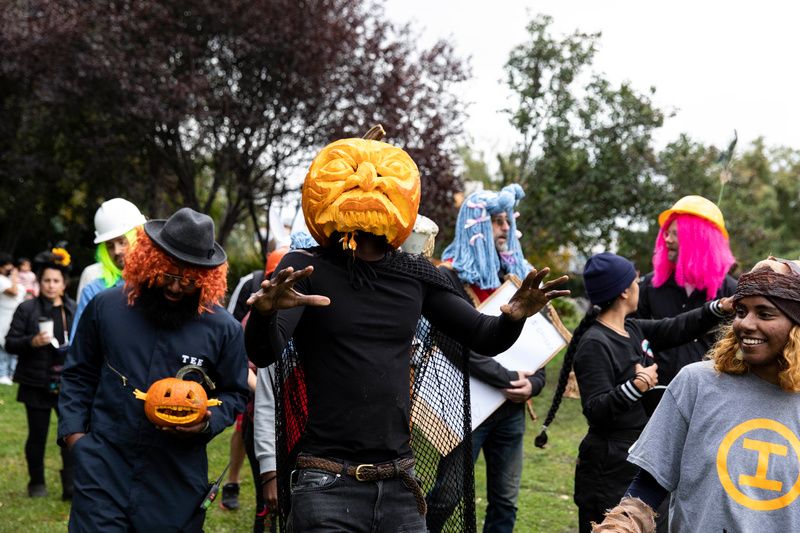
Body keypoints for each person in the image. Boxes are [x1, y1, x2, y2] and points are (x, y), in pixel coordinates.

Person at [244, 129, 570, 532]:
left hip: (398, 483)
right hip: (326, 481)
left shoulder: (414, 273)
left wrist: (514, 317)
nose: (369, 190)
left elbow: (484, 336)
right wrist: (263, 315)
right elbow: (265, 352)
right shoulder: (308, 267)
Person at [58, 207, 249, 531]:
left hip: (175, 478)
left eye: (189, 282)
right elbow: (78, 373)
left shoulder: (223, 329)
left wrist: (207, 422)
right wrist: (77, 439)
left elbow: (234, 392)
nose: (175, 288)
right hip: (103, 469)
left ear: (206, 278)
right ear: (151, 261)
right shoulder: (107, 307)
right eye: (168, 276)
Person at [594, 258, 800, 532]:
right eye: (740, 311)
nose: (746, 324)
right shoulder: (698, 383)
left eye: (765, 314)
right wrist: (622, 525)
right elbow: (650, 484)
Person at [534, 252, 732, 533]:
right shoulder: (595, 343)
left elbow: (676, 328)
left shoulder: (632, 328)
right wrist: (636, 386)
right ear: (625, 290)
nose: (640, 285)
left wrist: (719, 307)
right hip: (607, 467)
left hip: (636, 459)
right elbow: (596, 410)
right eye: (636, 281)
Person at [430, 184, 546, 533]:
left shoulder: (515, 279)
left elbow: (539, 345)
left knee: (505, 501)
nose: (506, 229)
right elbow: (453, 344)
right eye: (497, 221)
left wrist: (534, 384)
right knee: (446, 497)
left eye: (507, 221)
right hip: (466, 408)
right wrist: (510, 379)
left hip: (510, 412)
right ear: (476, 225)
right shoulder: (447, 276)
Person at [638, 195, 737, 385]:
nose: (667, 239)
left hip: (708, 392)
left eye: (675, 234)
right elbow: (631, 332)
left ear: (698, 240)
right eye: (666, 233)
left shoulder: (730, 291)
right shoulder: (650, 285)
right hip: (657, 392)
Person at [5, 248, 75, 498]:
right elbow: (10, 342)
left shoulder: (73, 309)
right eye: (46, 280)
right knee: (38, 435)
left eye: (56, 280)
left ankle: (71, 486)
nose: (51, 285)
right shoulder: (27, 309)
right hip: (35, 381)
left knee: (70, 433)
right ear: (39, 281)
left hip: (67, 383)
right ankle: (37, 483)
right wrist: (31, 342)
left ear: (64, 284)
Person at [71, 197, 146, 340]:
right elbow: (79, 343)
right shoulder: (93, 288)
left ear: (139, 237)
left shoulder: (160, 281)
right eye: (110, 245)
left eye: (122, 242)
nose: (117, 251)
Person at [0, 252, 25, 385]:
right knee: (3, 343)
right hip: (4, 316)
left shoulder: (9, 279)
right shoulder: (1, 280)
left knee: (15, 342)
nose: (10, 267)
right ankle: (2, 373)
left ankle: (12, 372)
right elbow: (13, 291)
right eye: (7, 265)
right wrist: (15, 277)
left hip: (17, 316)